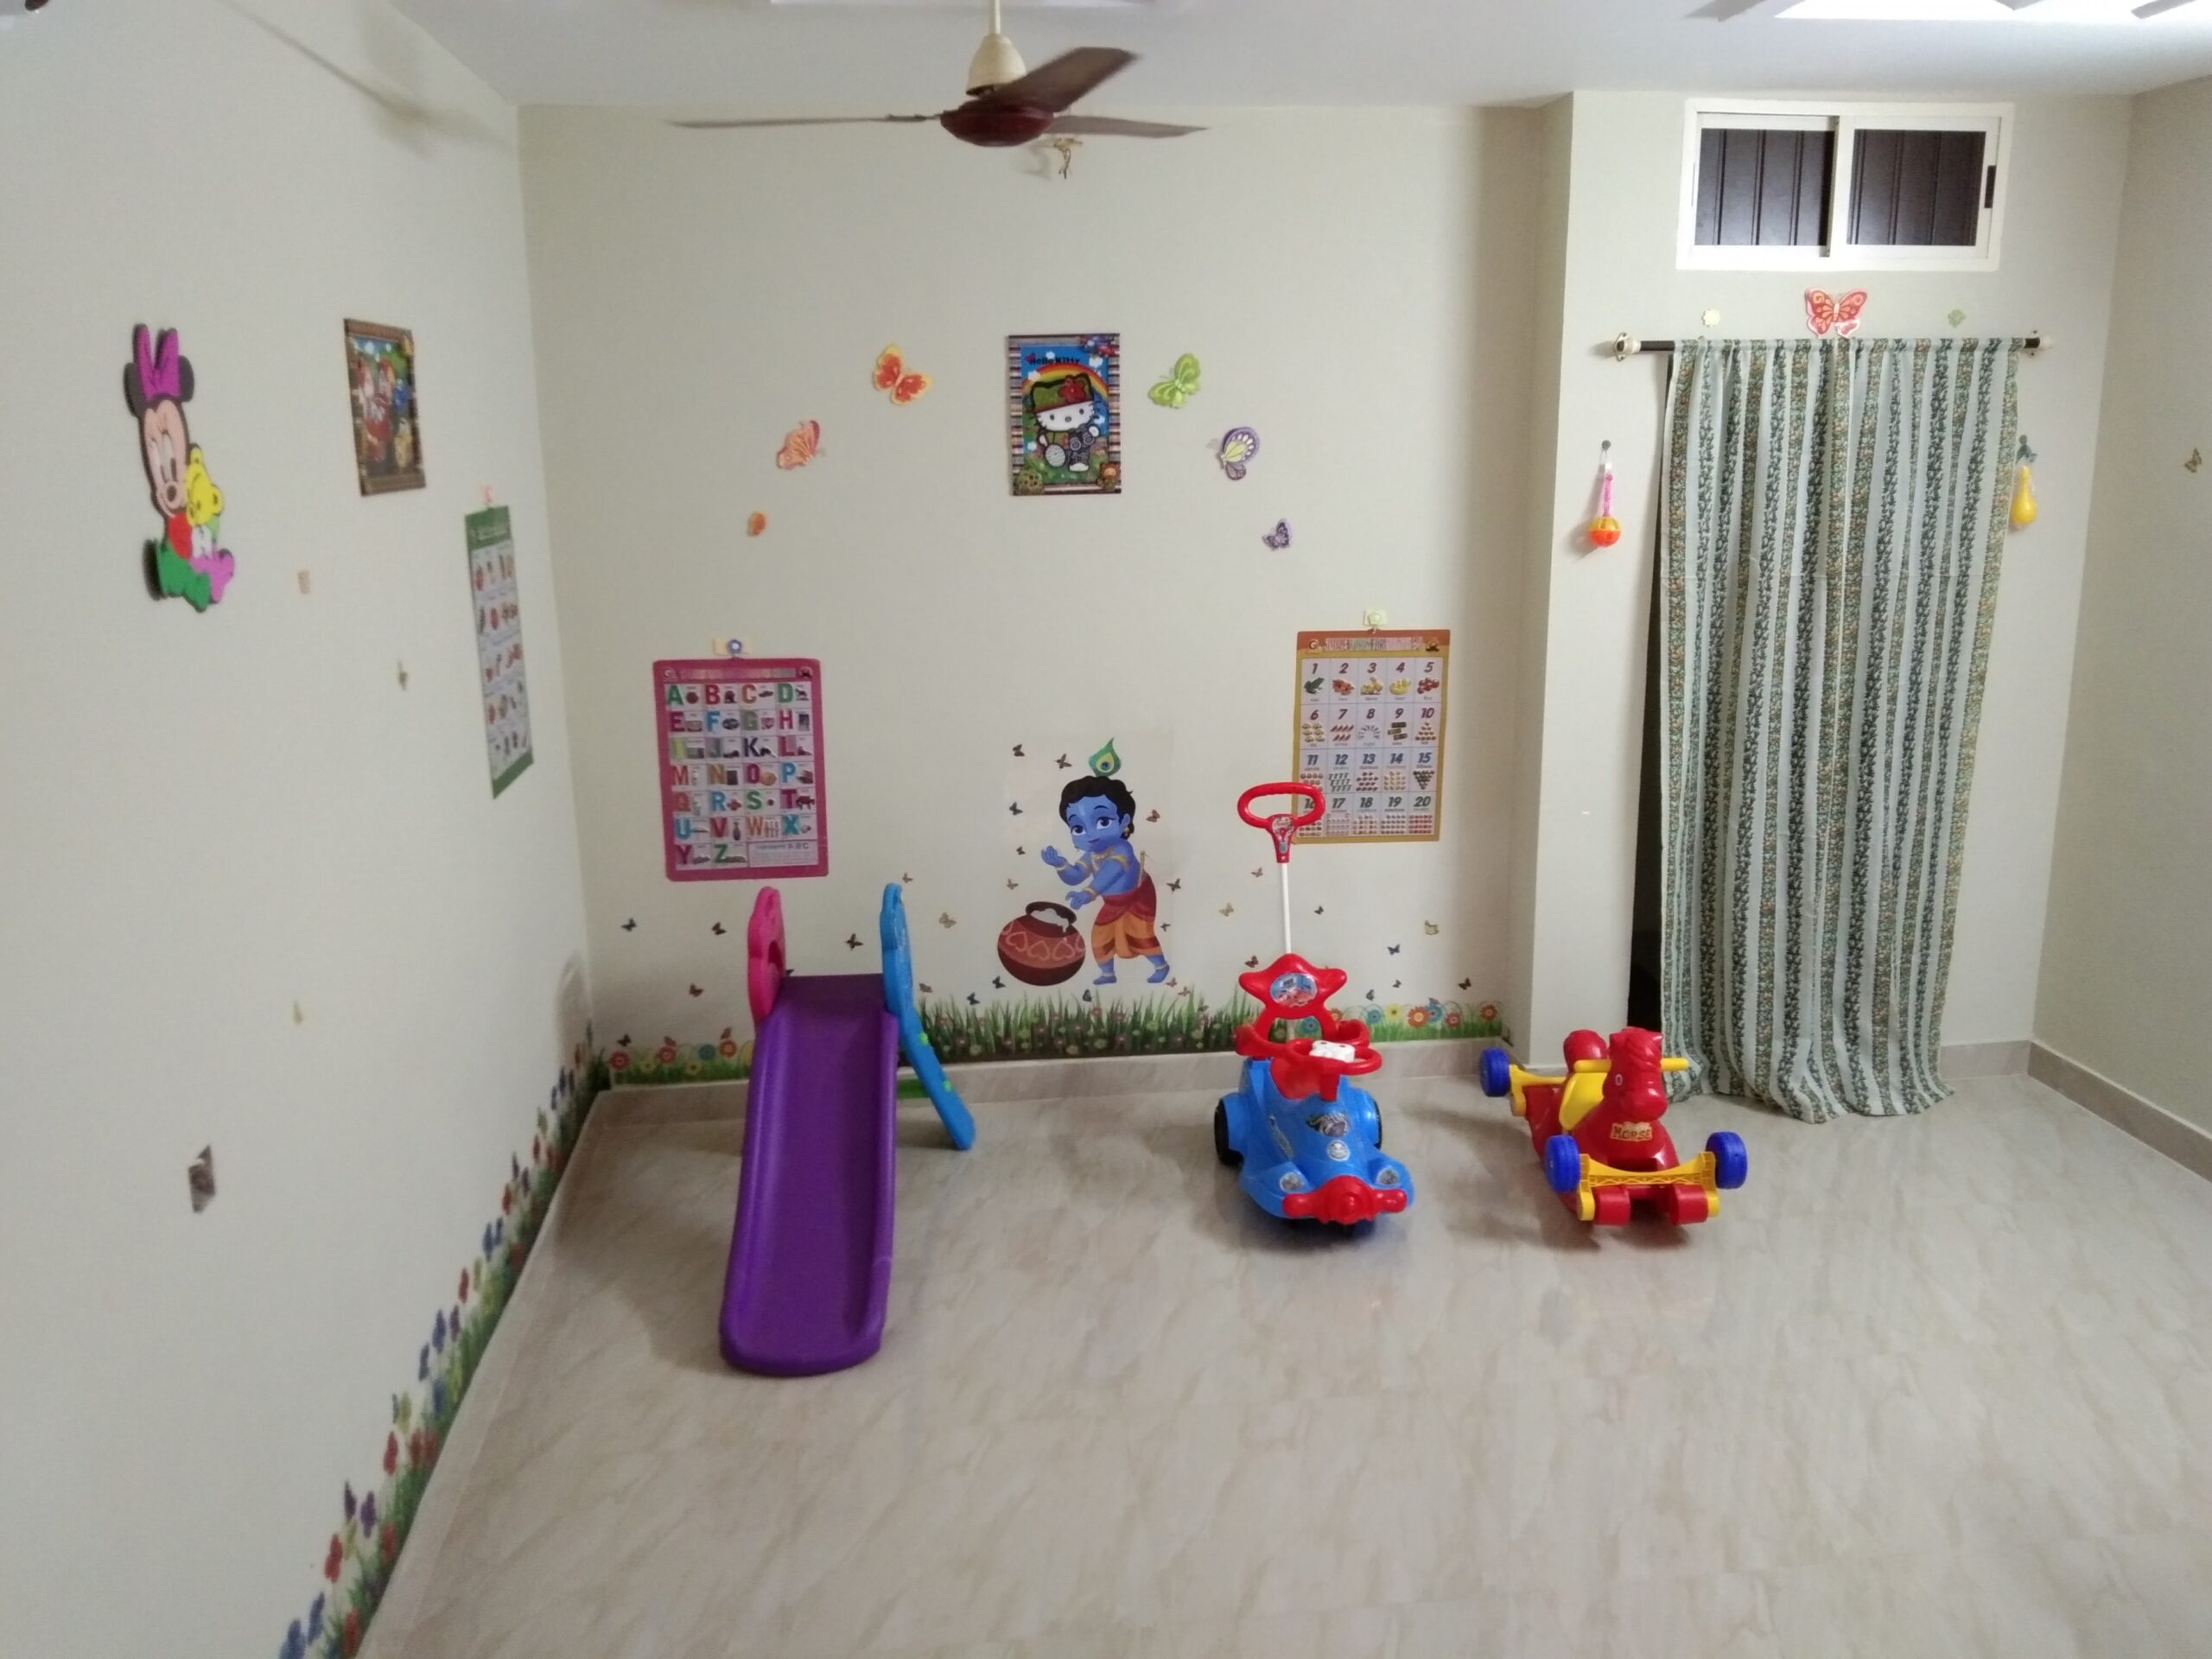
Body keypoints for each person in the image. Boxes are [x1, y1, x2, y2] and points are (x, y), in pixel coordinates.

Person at [1040, 775, 1168, 985]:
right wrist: (1061, 865)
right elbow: (1075, 876)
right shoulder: (1092, 854)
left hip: (1137, 897)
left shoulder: (1122, 849)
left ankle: (1161, 966)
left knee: (1140, 933)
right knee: (1100, 935)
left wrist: (1088, 893)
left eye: (1103, 822)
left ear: (1124, 821)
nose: (1090, 834)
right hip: (1113, 902)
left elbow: (1111, 872)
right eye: (1078, 828)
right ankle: (1108, 974)